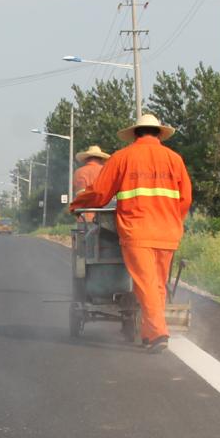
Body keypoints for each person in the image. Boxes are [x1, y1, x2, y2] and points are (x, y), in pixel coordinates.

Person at [69, 114, 191, 353]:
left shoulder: (122, 157)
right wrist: (173, 220)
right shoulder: (175, 159)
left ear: (135, 134)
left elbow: (100, 193)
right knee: (157, 284)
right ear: (159, 134)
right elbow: (185, 198)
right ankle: (147, 333)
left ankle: (158, 334)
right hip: (168, 232)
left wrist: (77, 205)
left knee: (145, 283)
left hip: (137, 230)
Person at [72, 144, 110, 223]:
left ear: (86, 159)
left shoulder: (78, 172)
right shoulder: (106, 171)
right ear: (101, 159)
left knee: (83, 234)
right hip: (103, 217)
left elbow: (77, 193)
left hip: (83, 216)